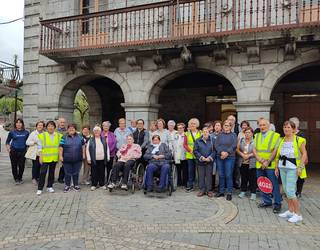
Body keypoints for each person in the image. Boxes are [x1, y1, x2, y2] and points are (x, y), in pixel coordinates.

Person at [276, 121, 307, 223]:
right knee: (285, 189)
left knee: (290, 191)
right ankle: (290, 210)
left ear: (293, 129)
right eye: (285, 127)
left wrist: (300, 167)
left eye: (288, 127)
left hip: (293, 168)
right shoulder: (281, 140)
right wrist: (276, 167)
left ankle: (298, 214)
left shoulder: (299, 140)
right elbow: (278, 155)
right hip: (282, 167)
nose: (286, 129)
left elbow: (304, 154)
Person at [253, 118, 282, 213]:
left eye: (264, 125)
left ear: (269, 126)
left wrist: (267, 161)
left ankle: (277, 203)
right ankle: (267, 201)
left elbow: (276, 150)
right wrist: (260, 160)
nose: (262, 127)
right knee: (262, 184)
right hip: (259, 164)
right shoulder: (256, 135)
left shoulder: (276, 135)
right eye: (260, 125)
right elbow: (254, 150)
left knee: (273, 184)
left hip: (270, 165)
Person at [36, 121, 62, 195]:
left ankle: (49, 186)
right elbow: (39, 147)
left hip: (54, 157)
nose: (50, 127)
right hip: (45, 158)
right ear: (46, 127)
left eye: (52, 126)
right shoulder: (42, 135)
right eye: (49, 126)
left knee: (52, 172)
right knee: (42, 173)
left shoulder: (59, 135)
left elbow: (60, 147)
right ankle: (40, 188)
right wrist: (40, 157)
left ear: (54, 127)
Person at [214, 120, 237, 201]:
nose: (226, 127)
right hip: (220, 157)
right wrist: (221, 152)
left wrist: (227, 153)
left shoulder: (234, 135)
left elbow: (234, 145)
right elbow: (216, 145)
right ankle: (221, 191)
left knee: (228, 174)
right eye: (225, 125)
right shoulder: (219, 135)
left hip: (230, 157)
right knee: (221, 174)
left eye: (228, 125)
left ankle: (229, 192)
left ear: (231, 127)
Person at [59, 124, 85, 193]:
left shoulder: (80, 137)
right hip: (67, 158)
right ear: (68, 129)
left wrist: (83, 154)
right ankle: (67, 185)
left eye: (73, 128)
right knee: (67, 173)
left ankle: (76, 185)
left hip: (78, 158)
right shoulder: (64, 137)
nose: (71, 129)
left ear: (75, 129)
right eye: (70, 128)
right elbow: (61, 147)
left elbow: (83, 146)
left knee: (76, 172)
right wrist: (60, 156)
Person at [6, 118, 29, 184]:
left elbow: (28, 142)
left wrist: (27, 149)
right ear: (15, 124)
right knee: (14, 166)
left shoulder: (26, 132)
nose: (18, 124)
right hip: (13, 151)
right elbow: (7, 142)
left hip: (23, 151)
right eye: (17, 123)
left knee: (21, 166)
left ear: (22, 124)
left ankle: (20, 178)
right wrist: (9, 149)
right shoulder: (12, 132)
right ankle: (16, 178)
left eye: (20, 123)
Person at [194, 126, 215, 198]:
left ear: (209, 133)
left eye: (207, 131)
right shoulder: (197, 140)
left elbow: (215, 150)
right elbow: (195, 151)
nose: (205, 133)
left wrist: (210, 157)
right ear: (201, 132)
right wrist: (201, 157)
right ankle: (202, 190)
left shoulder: (212, 140)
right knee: (201, 176)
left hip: (209, 161)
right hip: (200, 161)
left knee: (209, 176)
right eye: (204, 131)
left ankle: (209, 190)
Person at [237, 127, 257, 200]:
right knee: (244, 177)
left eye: (249, 132)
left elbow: (257, 152)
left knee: (252, 178)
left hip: (252, 162)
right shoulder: (241, 140)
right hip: (242, 162)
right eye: (246, 132)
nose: (247, 134)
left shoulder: (255, 141)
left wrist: (248, 155)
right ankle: (243, 191)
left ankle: (253, 193)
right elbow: (237, 149)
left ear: (252, 133)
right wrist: (242, 155)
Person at [86, 126, 109, 191]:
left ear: (100, 132)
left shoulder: (104, 139)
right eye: (95, 131)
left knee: (102, 172)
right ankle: (94, 185)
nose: (96, 132)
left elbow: (107, 149)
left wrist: (108, 157)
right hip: (94, 159)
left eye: (98, 130)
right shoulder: (90, 140)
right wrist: (88, 158)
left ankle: (102, 184)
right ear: (93, 132)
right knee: (94, 172)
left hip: (102, 159)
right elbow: (87, 150)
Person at [289, 117, 307, 198]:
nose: (293, 125)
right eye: (291, 123)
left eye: (294, 123)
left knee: (300, 175)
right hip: (290, 159)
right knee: (291, 176)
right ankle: (291, 191)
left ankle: (298, 191)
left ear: (297, 124)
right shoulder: (288, 134)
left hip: (300, 158)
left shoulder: (301, 134)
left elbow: (303, 148)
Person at [184, 118, 202, 192]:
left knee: (200, 171)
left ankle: (201, 186)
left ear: (197, 125)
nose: (192, 125)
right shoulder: (186, 133)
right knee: (190, 171)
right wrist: (190, 150)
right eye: (191, 123)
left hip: (198, 155)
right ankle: (190, 185)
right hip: (190, 155)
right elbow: (184, 144)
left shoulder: (200, 133)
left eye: (194, 123)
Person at [26, 121, 45, 185]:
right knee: (35, 166)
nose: (40, 126)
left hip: (42, 152)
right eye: (39, 125)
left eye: (41, 125)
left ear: (43, 127)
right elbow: (27, 142)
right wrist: (34, 142)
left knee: (41, 165)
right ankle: (34, 178)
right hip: (35, 152)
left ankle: (38, 177)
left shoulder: (44, 133)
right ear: (36, 126)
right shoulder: (33, 133)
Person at [172, 123, 187, 187]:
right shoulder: (175, 136)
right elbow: (173, 145)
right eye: (178, 128)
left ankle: (185, 183)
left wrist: (187, 155)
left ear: (184, 128)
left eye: (181, 128)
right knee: (178, 170)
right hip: (177, 155)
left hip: (184, 155)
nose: (180, 129)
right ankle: (178, 182)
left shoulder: (186, 135)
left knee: (185, 170)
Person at [211, 120, 223, 190]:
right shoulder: (211, 135)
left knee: (220, 172)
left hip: (220, 156)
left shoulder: (223, 135)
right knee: (213, 172)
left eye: (218, 125)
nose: (217, 127)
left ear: (221, 127)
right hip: (213, 156)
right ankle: (212, 186)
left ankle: (220, 187)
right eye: (216, 125)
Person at [57, 117, 67, 183]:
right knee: (53, 165)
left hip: (64, 150)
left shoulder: (67, 131)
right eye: (61, 122)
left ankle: (61, 178)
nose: (62, 124)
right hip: (54, 150)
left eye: (63, 122)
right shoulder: (55, 131)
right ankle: (51, 178)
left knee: (63, 165)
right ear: (58, 123)